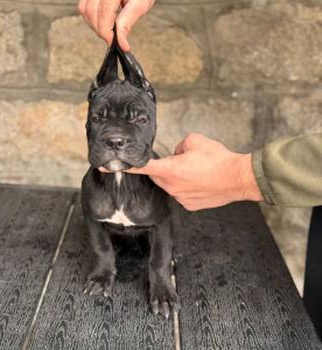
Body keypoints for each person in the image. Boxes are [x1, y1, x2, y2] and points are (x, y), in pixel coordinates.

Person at [78, 0, 322, 336]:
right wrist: (105, 264)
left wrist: (160, 277)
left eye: (137, 118)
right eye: (99, 118)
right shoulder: (92, 192)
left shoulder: (154, 192)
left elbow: (161, 221)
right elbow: (91, 217)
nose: (117, 136)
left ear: (153, 114)